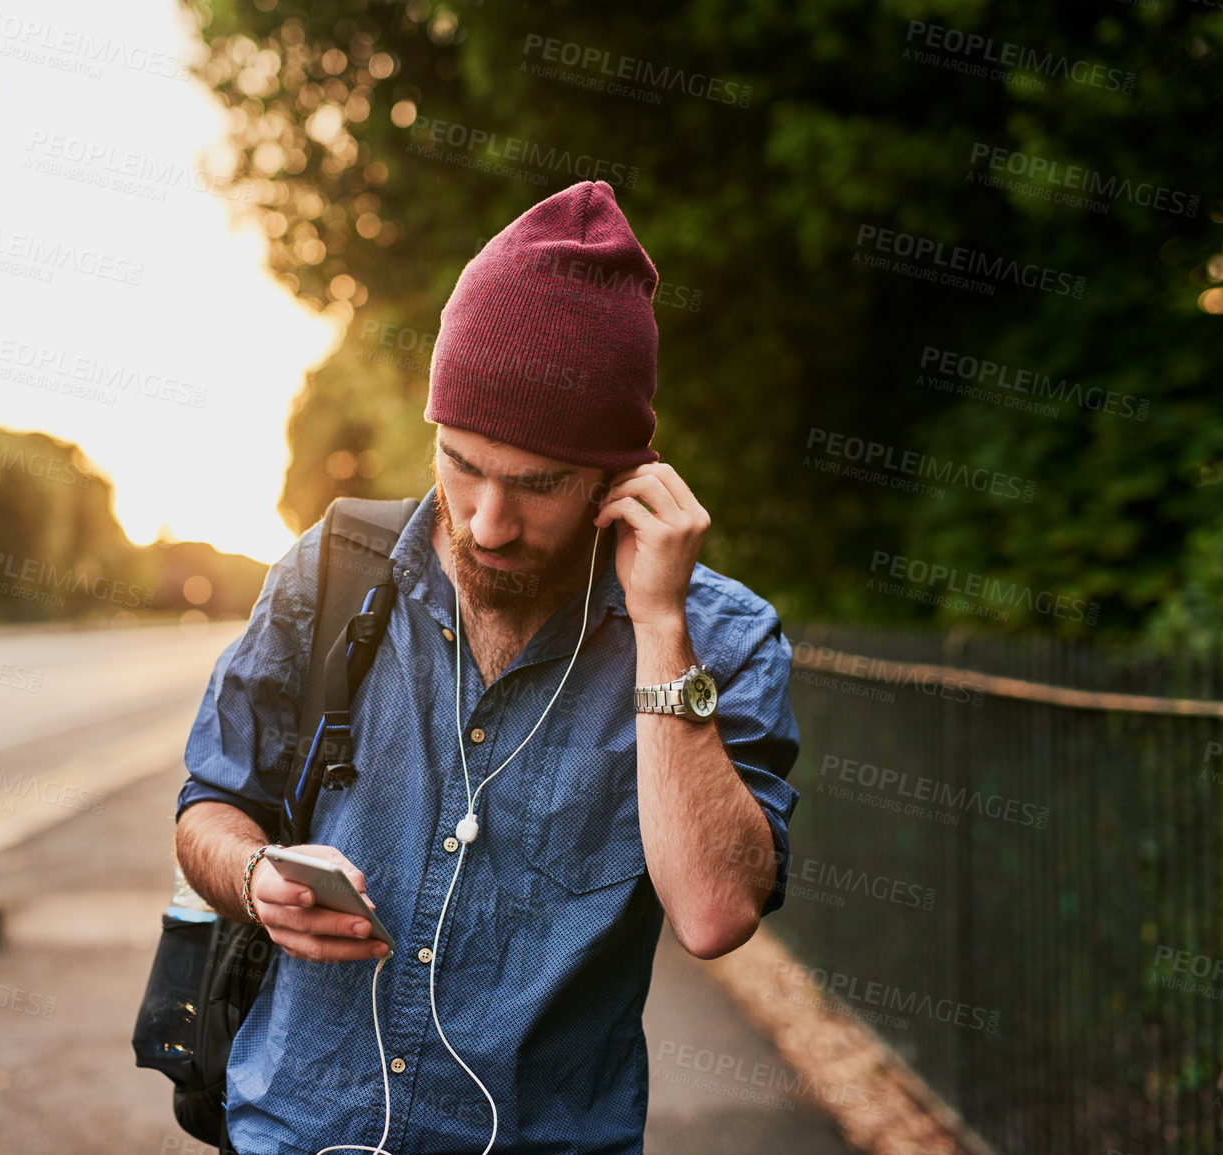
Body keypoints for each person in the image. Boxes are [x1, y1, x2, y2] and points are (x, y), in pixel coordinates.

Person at [174, 180, 800, 1155]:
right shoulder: (329, 572)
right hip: (295, 1131)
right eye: (461, 462)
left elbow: (716, 914)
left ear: (621, 478)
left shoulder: (721, 638)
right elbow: (209, 805)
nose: (486, 521)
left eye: (536, 485)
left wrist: (661, 626)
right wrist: (254, 875)